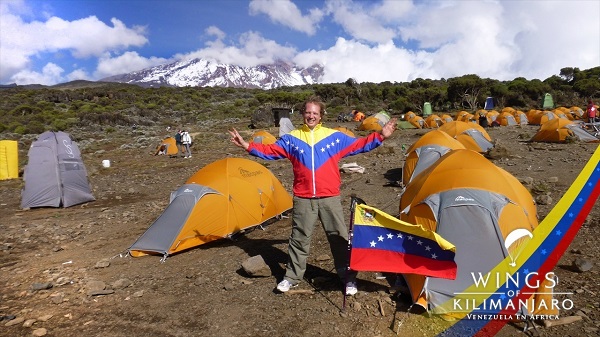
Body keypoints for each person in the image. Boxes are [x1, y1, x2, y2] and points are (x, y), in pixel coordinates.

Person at [228, 96, 397, 296]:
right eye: (308, 112)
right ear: (302, 114)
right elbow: (270, 150)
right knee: (299, 239)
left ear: (321, 115)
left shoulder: (334, 137)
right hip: (303, 197)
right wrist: (247, 145)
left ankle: (348, 277)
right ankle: (292, 277)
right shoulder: (292, 138)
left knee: (339, 239)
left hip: (329, 197)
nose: (311, 116)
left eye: (315, 113)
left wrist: (381, 136)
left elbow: (359, 144)